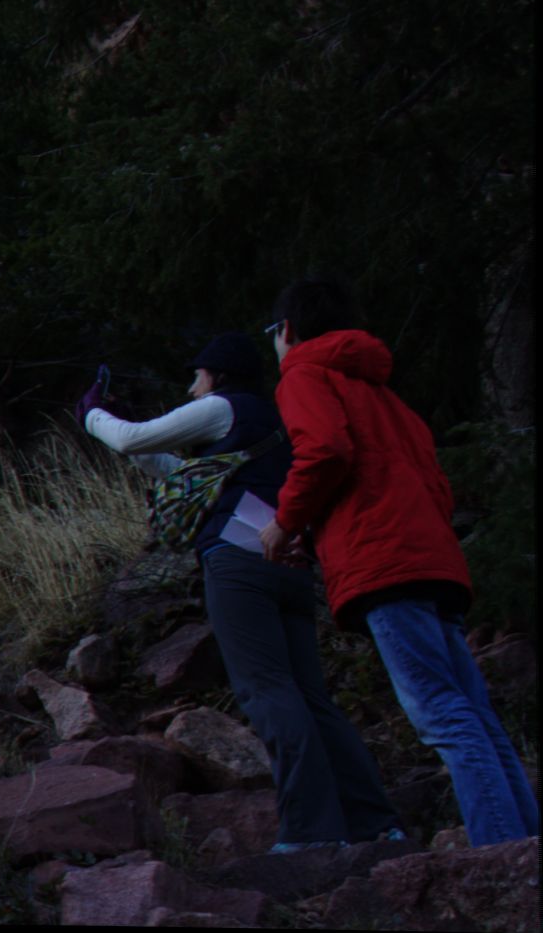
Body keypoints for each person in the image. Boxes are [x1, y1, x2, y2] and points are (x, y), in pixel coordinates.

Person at [80, 331, 403, 851]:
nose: (191, 390)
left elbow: (129, 438)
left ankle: (311, 833)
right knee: (312, 699)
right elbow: (189, 476)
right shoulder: (270, 419)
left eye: (197, 377)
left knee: (267, 692)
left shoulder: (225, 407)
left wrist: (93, 414)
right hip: (288, 562)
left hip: (237, 561)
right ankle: (375, 824)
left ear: (219, 375)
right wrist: (134, 441)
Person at [259, 277, 540, 847]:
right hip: (431, 562)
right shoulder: (388, 397)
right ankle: (523, 846)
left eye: (273, 332)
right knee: (476, 715)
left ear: (287, 330)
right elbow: (425, 488)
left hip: (385, 569)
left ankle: (498, 854)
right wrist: (318, 539)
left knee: (442, 714)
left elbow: (325, 451)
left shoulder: (303, 376)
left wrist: (283, 524)